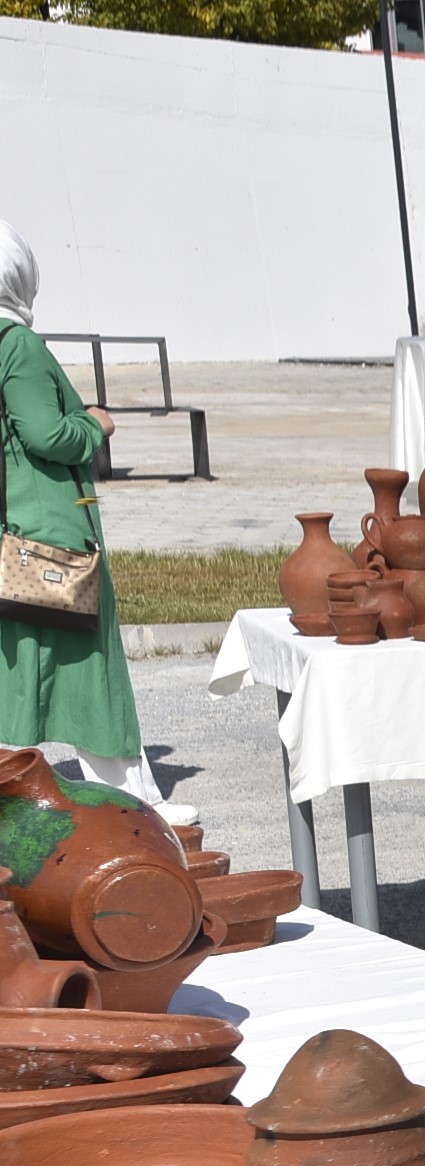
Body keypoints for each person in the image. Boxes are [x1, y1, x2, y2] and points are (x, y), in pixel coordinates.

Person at [0, 223, 190, 822]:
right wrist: (96, 425)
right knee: (90, 662)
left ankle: (29, 790)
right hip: (51, 530)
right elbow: (45, 432)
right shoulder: (17, 344)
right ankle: (134, 803)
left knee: (22, 660)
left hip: (17, 530)